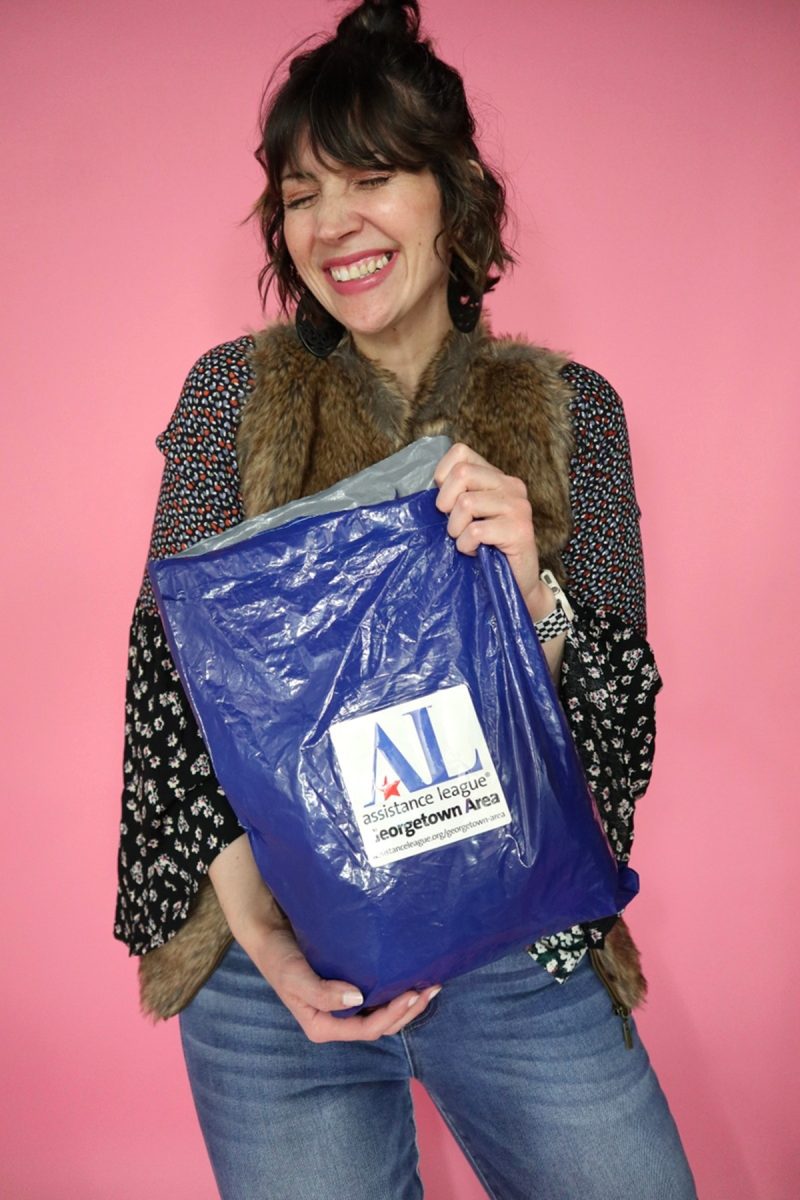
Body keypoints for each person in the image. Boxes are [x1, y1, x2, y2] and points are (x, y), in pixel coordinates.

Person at [114, 1, 697, 1196]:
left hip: (508, 941)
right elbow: (169, 691)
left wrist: (529, 583)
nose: (333, 224)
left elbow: (611, 744)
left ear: (454, 189)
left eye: (369, 177)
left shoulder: (570, 412)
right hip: (276, 960)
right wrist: (270, 948)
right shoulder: (235, 394)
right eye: (299, 193)